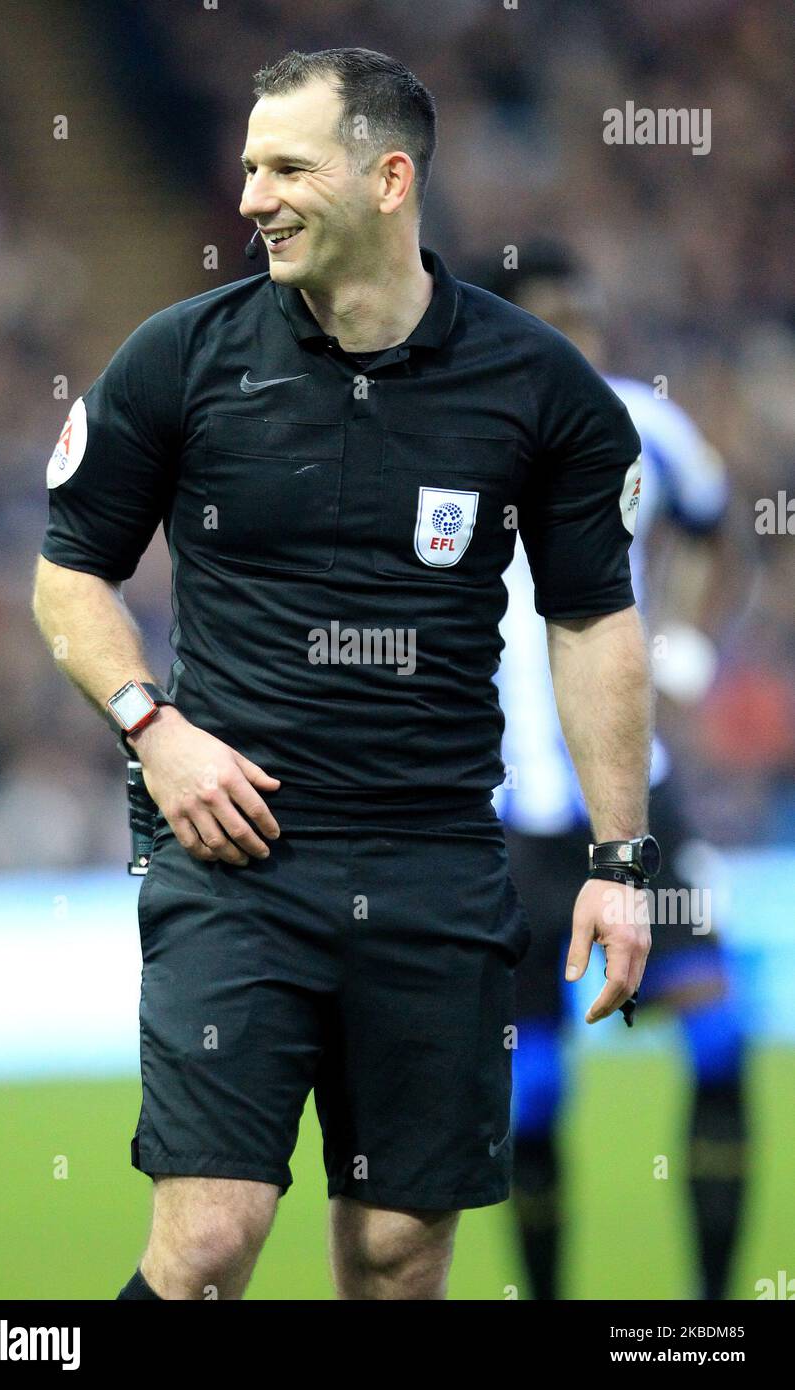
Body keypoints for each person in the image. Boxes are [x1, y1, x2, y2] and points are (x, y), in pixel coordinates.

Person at [32, 49, 652, 1302]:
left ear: (386, 177)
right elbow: (67, 576)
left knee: (396, 1253)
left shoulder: (541, 390)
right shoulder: (180, 359)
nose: (250, 195)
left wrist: (618, 860)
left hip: (433, 862)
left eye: (284, 166)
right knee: (207, 1243)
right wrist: (152, 725)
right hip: (232, 854)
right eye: (247, 165)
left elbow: (592, 622)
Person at [463, 241, 748, 1301]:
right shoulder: (451, 442)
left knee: (718, 1035)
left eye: (584, 317)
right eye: (554, 322)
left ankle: (712, 1315)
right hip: (506, 816)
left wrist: (683, 641)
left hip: (638, 794)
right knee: (531, 1092)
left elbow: (716, 529)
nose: (579, 341)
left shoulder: (637, 421)